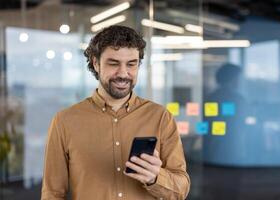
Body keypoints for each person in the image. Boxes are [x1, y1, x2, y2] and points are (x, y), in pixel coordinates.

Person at [41, 25, 190, 200]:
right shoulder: (64, 121)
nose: (123, 73)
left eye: (131, 64)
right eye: (113, 63)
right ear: (96, 64)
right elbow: (52, 193)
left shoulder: (160, 117)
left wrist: (155, 178)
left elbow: (181, 190)